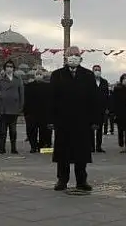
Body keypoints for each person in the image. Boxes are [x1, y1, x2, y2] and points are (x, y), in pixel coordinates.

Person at [49, 46, 99, 192]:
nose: (73, 57)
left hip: (82, 120)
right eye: (70, 54)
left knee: (81, 152)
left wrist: (95, 120)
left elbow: (94, 99)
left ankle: (81, 181)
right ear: (65, 57)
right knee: (63, 152)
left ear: (80, 57)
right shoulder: (57, 75)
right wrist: (51, 120)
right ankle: (62, 180)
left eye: (75, 54)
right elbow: (52, 99)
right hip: (63, 120)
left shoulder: (88, 75)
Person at [0, 60, 24, 154]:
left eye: (11, 66)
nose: (9, 68)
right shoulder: (0, 78)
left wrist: (21, 106)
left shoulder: (18, 79)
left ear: (13, 68)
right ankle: (2, 148)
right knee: (2, 130)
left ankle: (14, 148)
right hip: (3, 108)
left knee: (13, 131)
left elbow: (21, 93)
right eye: (7, 66)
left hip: (14, 108)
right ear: (5, 68)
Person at [90, 65, 109, 153]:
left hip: (101, 109)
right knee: (90, 129)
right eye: (95, 70)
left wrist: (107, 108)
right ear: (92, 71)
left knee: (100, 129)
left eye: (98, 70)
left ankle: (99, 146)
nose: (97, 71)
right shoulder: (88, 81)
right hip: (91, 109)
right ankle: (91, 147)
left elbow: (106, 96)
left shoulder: (104, 82)